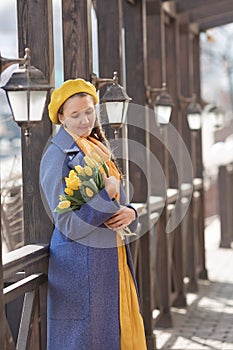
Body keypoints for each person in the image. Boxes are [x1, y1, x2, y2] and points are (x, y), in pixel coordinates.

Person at [40, 78, 147, 350]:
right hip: (80, 269)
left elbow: (119, 200)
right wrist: (105, 195)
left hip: (109, 262)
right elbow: (65, 223)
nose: (85, 120)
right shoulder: (57, 155)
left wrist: (130, 212)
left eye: (89, 111)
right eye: (75, 114)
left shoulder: (97, 147)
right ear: (61, 117)